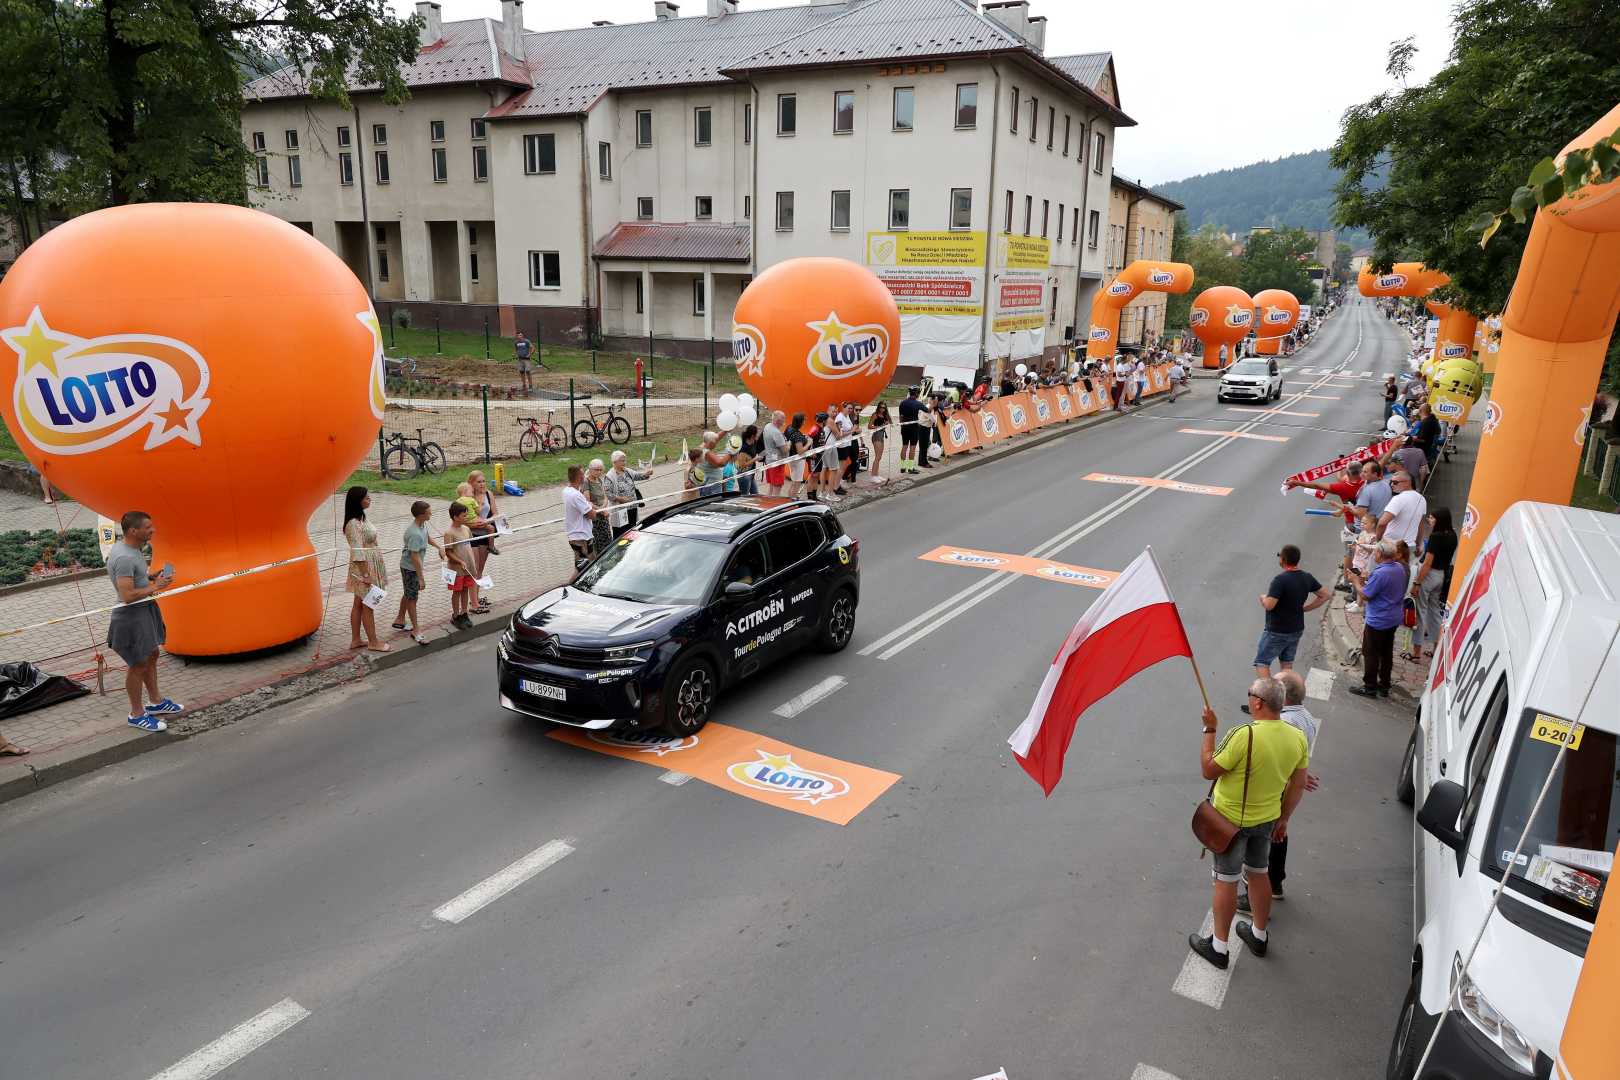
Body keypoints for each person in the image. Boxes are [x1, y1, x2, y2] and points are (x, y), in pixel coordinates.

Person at [1187, 679, 1311, 969]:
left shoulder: (1244, 734)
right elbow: (1298, 784)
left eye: (1250, 694)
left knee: (1226, 880)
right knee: (1259, 873)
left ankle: (1219, 948)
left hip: (1230, 822)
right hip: (1267, 819)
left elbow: (1209, 769)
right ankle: (1258, 935)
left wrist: (1209, 730)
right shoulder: (1297, 737)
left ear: (1258, 702)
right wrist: (1284, 818)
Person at [106, 510, 180, 731]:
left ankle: (156, 702)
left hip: (143, 611)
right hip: (130, 617)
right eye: (148, 528)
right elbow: (127, 595)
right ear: (133, 531)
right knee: (137, 664)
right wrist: (156, 586)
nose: (153, 530)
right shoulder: (124, 557)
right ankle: (136, 714)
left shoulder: (132, 549)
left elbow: (134, 579)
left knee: (152, 654)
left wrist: (150, 577)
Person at [1252, 544, 1330, 683]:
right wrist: (1306, 608)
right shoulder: (1306, 577)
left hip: (1276, 630)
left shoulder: (1280, 580)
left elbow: (1269, 605)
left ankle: (1268, 694)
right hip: (1296, 629)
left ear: (1283, 559)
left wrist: (1263, 598)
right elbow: (1325, 595)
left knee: (1262, 662)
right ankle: (1287, 694)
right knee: (1287, 664)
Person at [1285, 463, 1363, 590]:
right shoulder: (1366, 483)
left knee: (1349, 554)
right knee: (1356, 552)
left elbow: (1317, 486)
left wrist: (1297, 482)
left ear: (1348, 474)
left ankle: (1347, 583)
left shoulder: (1343, 487)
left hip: (1351, 525)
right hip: (1365, 522)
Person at [1348, 541, 1406, 698]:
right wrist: (1368, 577)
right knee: (1386, 652)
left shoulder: (1381, 573)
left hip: (1379, 619)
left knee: (1371, 653)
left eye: (1375, 552)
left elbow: (1366, 595)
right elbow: (1382, 586)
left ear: (1380, 554)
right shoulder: (1399, 568)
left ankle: (1370, 687)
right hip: (1393, 617)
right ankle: (1384, 685)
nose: (1374, 554)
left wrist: (1356, 582)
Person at [342, 486, 391, 653]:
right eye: (366, 497)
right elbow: (357, 552)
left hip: (370, 564)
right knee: (368, 605)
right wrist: (366, 575)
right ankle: (373, 642)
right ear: (358, 501)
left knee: (358, 602)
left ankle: (356, 640)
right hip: (363, 568)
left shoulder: (361, 518)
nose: (370, 499)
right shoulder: (353, 524)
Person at [1408, 507, 1457, 663]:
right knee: (1435, 613)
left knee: (1420, 612)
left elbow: (1427, 563)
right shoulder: (1453, 535)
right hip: (1441, 575)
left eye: (1432, 518)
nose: (1429, 520)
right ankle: (1436, 650)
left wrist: (1417, 583)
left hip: (1428, 575)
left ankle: (1416, 653)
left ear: (1439, 520)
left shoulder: (1436, 537)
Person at [392, 499, 434, 643]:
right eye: (429, 512)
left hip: (412, 567)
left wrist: (439, 547)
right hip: (411, 569)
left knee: (408, 593)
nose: (431, 514)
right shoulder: (415, 533)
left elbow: (427, 537)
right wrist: (421, 578)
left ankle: (400, 619)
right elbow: (414, 557)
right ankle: (416, 630)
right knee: (412, 598)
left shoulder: (422, 525)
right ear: (421, 515)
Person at [604, 449, 654, 537]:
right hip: (620, 510)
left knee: (632, 530)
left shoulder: (627, 471)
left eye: (625, 460)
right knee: (621, 533)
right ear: (615, 462)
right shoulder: (609, 476)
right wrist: (620, 498)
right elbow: (608, 493)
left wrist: (646, 474)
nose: (624, 462)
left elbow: (638, 476)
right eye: (622, 461)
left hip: (632, 507)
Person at [442, 501, 476, 629]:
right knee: (457, 591)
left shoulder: (466, 529)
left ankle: (464, 613)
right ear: (455, 517)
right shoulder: (449, 533)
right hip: (456, 569)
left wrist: (471, 562)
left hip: (468, 567)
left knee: (465, 589)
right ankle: (456, 615)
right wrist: (460, 561)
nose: (466, 517)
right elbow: (448, 552)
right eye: (464, 516)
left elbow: (469, 545)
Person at [1377, 469, 1428, 549]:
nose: (1391, 485)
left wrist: (1378, 541)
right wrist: (1418, 544)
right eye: (1391, 482)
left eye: (1395, 482)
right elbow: (1421, 524)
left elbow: (1382, 523)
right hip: (1410, 546)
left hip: (1392, 546)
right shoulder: (1422, 499)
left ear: (1408, 483)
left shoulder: (1398, 498)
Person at [561, 464, 596, 570]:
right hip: (582, 537)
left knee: (580, 567)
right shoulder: (576, 495)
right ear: (580, 477)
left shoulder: (566, 491)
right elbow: (592, 515)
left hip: (574, 536)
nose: (585, 477)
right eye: (583, 474)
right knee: (588, 568)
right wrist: (591, 507)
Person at [1346, 509, 1380, 613]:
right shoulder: (1363, 533)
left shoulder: (1374, 537)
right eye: (1361, 522)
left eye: (1365, 523)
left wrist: (1363, 546)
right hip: (1357, 561)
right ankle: (1357, 602)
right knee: (1356, 581)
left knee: (1360, 583)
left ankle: (1359, 604)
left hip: (1364, 564)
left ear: (1373, 525)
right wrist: (1353, 546)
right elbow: (1357, 547)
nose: (1362, 525)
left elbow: (1372, 551)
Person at [584, 458, 613, 553]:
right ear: (590, 469)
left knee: (607, 542)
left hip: (603, 516)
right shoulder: (586, 482)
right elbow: (587, 501)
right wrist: (601, 510)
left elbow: (605, 497)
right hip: (594, 518)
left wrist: (604, 508)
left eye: (601, 470)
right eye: (596, 470)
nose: (599, 472)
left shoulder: (599, 480)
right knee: (597, 544)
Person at [1353, 459, 1393, 525]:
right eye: (1362, 471)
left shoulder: (1366, 491)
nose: (1361, 474)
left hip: (1365, 527)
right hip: (1381, 524)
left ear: (1374, 474)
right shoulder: (1387, 483)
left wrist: (1349, 508)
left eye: (1365, 472)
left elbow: (1360, 515)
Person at [897, 389, 926, 475]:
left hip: (904, 427)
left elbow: (901, 416)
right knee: (912, 447)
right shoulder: (918, 403)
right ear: (916, 394)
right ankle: (910, 468)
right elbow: (927, 410)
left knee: (904, 446)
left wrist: (902, 426)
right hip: (914, 428)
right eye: (918, 393)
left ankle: (902, 467)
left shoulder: (903, 403)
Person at [1410, 403, 1443, 469]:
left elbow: (1423, 440)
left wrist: (1411, 438)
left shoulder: (1426, 422)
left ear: (1420, 411)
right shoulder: (1433, 418)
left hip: (1424, 447)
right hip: (1430, 445)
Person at [763, 410, 788, 495]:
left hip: (769, 460)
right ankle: (775, 503)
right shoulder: (776, 433)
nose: (784, 421)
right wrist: (789, 444)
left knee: (771, 487)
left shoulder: (767, 426)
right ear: (778, 420)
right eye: (784, 419)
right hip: (777, 463)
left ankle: (768, 502)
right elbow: (785, 450)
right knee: (777, 488)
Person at [785, 412, 809, 497]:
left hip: (791, 458)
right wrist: (809, 443)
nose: (804, 422)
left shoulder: (789, 428)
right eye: (804, 420)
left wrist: (803, 438)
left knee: (794, 481)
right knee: (797, 482)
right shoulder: (797, 434)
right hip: (798, 460)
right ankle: (792, 499)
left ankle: (790, 498)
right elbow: (800, 451)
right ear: (800, 421)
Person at [734, 426, 761, 496]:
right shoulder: (743, 447)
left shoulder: (754, 442)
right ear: (752, 436)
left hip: (751, 473)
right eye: (757, 434)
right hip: (744, 475)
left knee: (755, 495)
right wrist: (755, 459)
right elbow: (742, 465)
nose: (758, 435)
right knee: (744, 496)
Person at [869, 401, 891, 483]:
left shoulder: (885, 415)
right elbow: (869, 426)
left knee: (879, 457)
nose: (882, 409)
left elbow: (891, 422)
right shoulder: (875, 415)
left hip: (881, 435)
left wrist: (887, 421)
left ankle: (876, 474)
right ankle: (873, 476)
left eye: (884, 408)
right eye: (881, 407)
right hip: (876, 435)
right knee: (877, 456)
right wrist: (879, 426)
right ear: (878, 407)